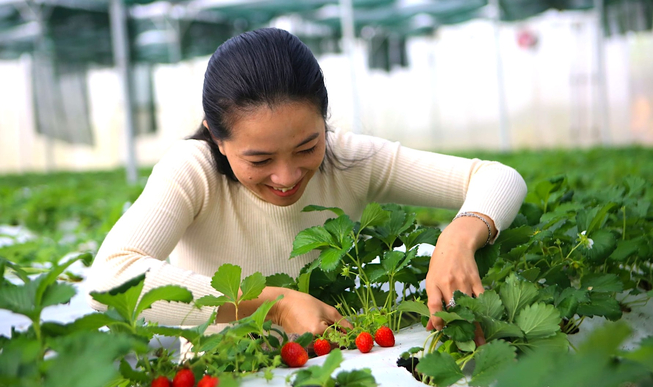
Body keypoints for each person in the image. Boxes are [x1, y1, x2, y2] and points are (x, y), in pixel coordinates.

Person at [88, 28, 526, 346]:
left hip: (343, 366)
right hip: (226, 373)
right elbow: (108, 280)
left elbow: (498, 177)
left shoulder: (350, 159)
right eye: (258, 159)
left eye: (306, 146)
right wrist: (269, 303)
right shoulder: (193, 171)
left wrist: (461, 233)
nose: (287, 176)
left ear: (324, 120)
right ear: (217, 139)